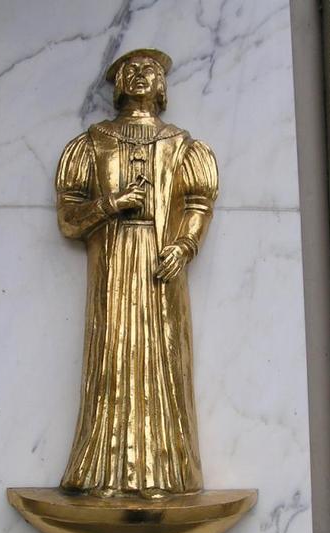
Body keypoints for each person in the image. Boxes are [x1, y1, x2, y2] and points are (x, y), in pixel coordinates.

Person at [56, 48, 218, 499]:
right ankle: (104, 471)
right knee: (113, 357)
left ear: (162, 85)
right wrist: (112, 204)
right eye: (131, 69)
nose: (141, 75)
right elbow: (68, 217)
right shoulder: (92, 143)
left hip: (160, 263)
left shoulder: (182, 145)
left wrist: (184, 245)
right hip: (112, 264)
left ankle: (165, 473)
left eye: (150, 69)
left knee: (163, 360)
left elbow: (199, 203)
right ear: (118, 84)